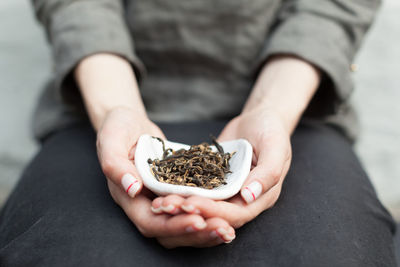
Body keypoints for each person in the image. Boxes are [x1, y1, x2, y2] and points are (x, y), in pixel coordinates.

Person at [0, 0, 397, 266]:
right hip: (102, 101)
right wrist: (116, 108)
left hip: (290, 104)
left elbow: (332, 9)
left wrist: (269, 108)